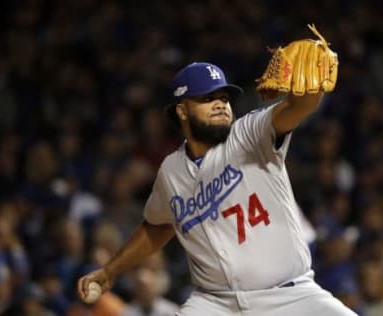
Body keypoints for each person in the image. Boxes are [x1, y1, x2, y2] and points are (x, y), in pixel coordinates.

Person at [77, 60, 356, 315]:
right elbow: (158, 225)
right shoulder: (170, 172)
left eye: (224, 98)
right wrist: (110, 271)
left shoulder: (248, 134)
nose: (221, 104)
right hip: (215, 303)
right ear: (182, 110)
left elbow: (297, 107)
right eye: (208, 98)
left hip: (288, 295)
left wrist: (310, 84)